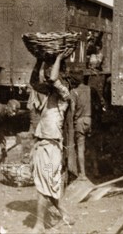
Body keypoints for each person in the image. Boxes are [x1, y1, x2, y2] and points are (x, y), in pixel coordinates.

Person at [29, 50, 75, 232]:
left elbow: (53, 78)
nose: (48, 74)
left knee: (43, 186)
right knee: (46, 183)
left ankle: (39, 224)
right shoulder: (49, 94)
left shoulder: (65, 94)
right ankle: (65, 214)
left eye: (52, 70)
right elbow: (33, 82)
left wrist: (58, 58)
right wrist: (39, 60)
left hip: (52, 148)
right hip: (43, 145)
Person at [69, 71, 92, 179]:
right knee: (93, 146)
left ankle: (82, 174)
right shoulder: (88, 89)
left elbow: (72, 110)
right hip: (89, 119)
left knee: (80, 148)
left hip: (79, 122)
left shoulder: (74, 92)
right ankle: (95, 170)